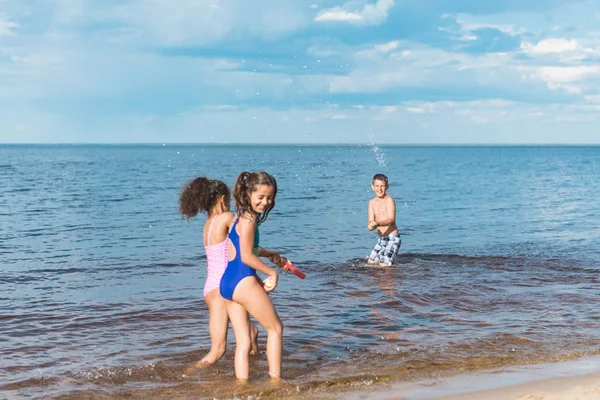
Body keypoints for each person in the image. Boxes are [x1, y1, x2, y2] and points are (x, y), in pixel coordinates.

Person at [178, 177, 258, 374]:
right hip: (226, 285)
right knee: (218, 350)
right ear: (222, 199)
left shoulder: (208, 224)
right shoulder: (227, 218)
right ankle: (186, 374)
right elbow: (244, 248)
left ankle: (255, 365)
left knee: (251, 331)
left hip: (210, 287)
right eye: (229, 199)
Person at [220, 171, 286, 382]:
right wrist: (271, 272)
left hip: (228, 283)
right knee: (275, 328)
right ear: (248, 193)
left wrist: (270, 254)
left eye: (269, 197)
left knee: (243, 342)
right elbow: (247, 256)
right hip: (243, 281)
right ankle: (275, 382)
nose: (265, 202)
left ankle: (242, 387)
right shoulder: (250, 221)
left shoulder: (240, 217)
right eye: (261, 197)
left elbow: (246, 250)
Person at [367, 173, 401, 267]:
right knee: (371, 263)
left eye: (382, 186)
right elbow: (370, 221)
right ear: (372, 187)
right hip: (382, 239)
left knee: (384, 265)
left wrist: (377, 223)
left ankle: (391, 280)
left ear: (387, 187)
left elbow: (391, 220)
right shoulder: (371, 203)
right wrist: (371, 226)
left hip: (392, 238)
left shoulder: (389, 200)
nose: (379, 189)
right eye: (377, 186)